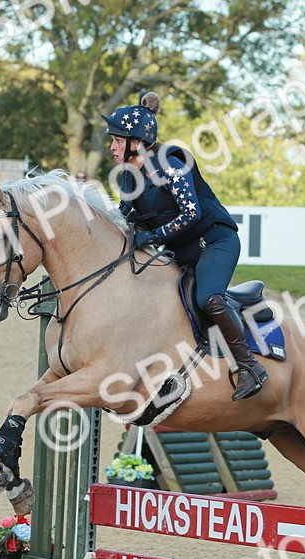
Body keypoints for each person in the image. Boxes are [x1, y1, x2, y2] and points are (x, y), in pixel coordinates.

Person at [102, 91, 265, 401]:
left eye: (118, 140)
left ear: (136, 141)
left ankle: (249, 366)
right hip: (181, 250)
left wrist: (154, 235)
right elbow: (125, 220)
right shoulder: (128, 177)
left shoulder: (170, 162)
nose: (112, 146)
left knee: (209, 298)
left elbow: (192, 212)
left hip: (215, 241)